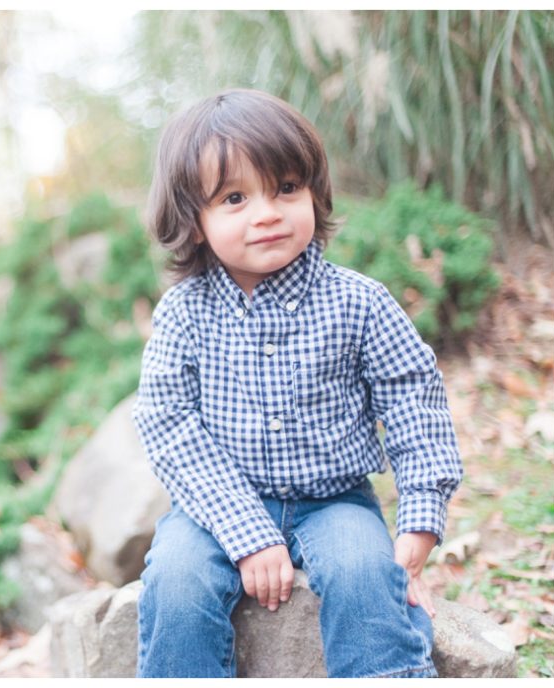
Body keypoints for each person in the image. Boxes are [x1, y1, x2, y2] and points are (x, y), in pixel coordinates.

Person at [132, 88, 463, 678]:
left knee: (364, 575)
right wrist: (247, 534)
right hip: (215, 505)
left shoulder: (359, 302)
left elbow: (415, 402)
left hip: (335, 500)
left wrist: (419, 518)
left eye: (286, 188)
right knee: (176, 582)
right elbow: (167, 424)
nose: (267, 213)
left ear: (314, 192)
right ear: (195, 221)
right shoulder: (184, 313)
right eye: (234, 197)